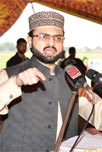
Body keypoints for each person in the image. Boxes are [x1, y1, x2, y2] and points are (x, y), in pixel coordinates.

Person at [0, 11, 79, 151]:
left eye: (58, 37)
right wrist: (15, 82)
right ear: (29, 40)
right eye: (43, 36)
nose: (51, 43)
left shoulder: (72, 79)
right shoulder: (9, 74)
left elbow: (92, 107)